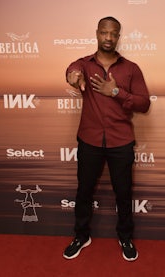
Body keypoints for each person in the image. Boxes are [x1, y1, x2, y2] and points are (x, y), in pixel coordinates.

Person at [63, 16, 150, 261]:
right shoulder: (85, 64)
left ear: (118, 36)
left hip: (121, 141)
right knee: (84, 191)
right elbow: (72, 69)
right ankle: (81, 236)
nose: (108, 38)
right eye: (104, 32)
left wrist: (115, 92)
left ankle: (125, 237)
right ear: (97, 33)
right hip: (89, 140)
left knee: (123, 193)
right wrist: (72, 75)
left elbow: (144, 104)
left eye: (113, 33)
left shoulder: (131, 68)